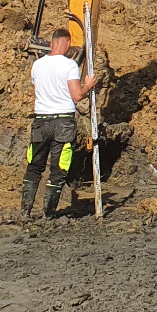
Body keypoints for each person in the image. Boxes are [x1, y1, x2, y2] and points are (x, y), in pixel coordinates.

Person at [22, 28, 100, 219]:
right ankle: (48, 215)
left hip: (41, 121)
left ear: (51, 44)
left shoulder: (38, 65)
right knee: (58, 170)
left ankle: (25, 212)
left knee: (34, 167)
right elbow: (77, 95)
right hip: (63, 122)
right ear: (68, 44)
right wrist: (88, 85)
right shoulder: (69, 65)